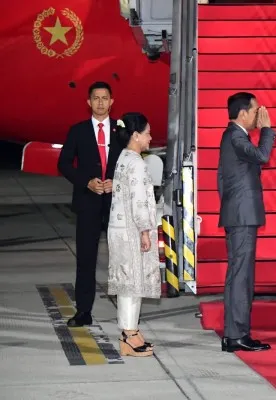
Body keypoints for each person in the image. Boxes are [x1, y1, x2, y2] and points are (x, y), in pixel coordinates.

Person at [57, 81, 123, 327]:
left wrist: (116, 182)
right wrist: (86, 182)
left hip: (117, 204)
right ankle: (83, 311)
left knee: (122, 257)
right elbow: (63, 164)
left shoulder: (121, 130)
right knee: (86, 259)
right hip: (88, 203)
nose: (100, 102)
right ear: (88, 102)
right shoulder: (78, 131)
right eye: (95, 98)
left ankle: (126, 311)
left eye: (105, 98)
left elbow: (134, 159)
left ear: (112, 101)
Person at [218, 92, 276, 352]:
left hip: (239, 214)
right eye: (254, 111)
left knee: (239, 276)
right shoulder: (235, 136)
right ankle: (237, 334)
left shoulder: (233, 136)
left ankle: (235, 332)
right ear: (243, 113)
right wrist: (267, 130)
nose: (257, 116)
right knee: (241, 277)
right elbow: (262, 156)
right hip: (241, 215)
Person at [107, 112, 160, 357]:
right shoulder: (137, 162)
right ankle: (128, 336)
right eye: (147, 133)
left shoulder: (124, 157)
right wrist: (145, 231)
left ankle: (132, 330)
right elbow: (140, 202)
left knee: (131, 284)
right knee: (130, 285)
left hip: (121, 230)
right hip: (131, 231)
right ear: (136, 135)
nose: (150, 137)